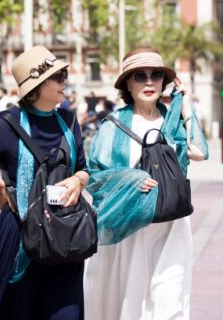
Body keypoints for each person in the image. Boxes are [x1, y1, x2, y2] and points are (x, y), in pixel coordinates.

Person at [0, 46, 89, 320]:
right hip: (21, 233)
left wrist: (78, 180)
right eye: (58, 76)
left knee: (66, 313)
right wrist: (0, 184)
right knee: (15, 310)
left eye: (64, 74)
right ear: (37, 85)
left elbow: (83, 168)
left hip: (66, 232)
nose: (65, 81)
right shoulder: (8, 124)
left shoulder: (69, 120)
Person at [84, 47, 208, 319]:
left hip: (172, 224)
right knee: (133, 299)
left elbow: (200, 151)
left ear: (164, 82)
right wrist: (131, 180)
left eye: (156, 75)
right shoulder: (113, 125)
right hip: (132, 227)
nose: (149, 82)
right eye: (140, 76)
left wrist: (185, 106)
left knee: (170, 299)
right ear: (128, 84)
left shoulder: (172, 122)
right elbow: (94, 176)